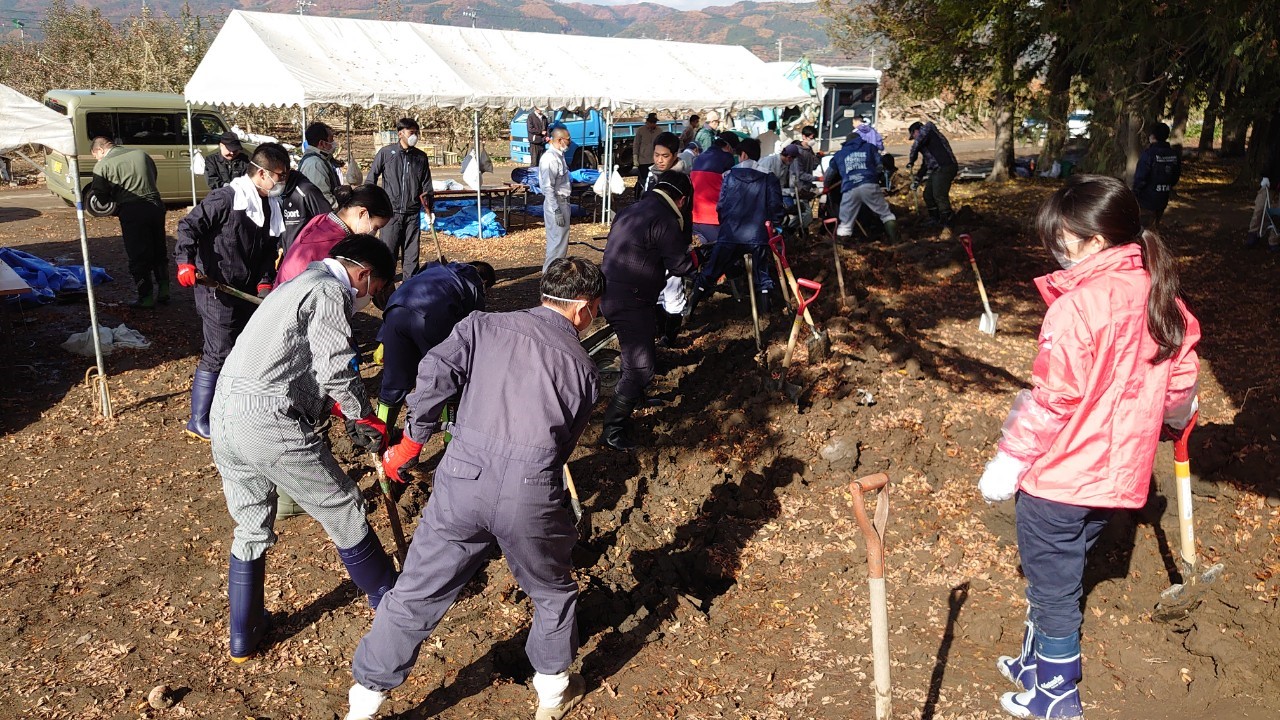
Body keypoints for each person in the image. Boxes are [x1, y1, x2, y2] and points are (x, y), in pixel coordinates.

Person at [344, 257, 605, 720]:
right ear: (583, 308)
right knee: (552, 592)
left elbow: (434, 374)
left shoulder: (481, 326)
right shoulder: (583, 368)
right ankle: (553, 696)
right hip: (531, 491)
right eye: (597, 309)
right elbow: (564, 446)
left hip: (462, 480)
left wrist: (413, 440)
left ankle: (364, 703)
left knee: (416, 592)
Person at [977, 175, 1199, 720]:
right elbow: (1181, 382)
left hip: (1059, 479)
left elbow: (1053, 399)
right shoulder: (1161, 293)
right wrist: (1174, 418)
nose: (1056, 248)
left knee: (1052, 589)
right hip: (1117, 481)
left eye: (1062, 238)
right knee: (1062, 574)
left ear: (1095, 241)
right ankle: (1033, 663)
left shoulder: (1077, 306)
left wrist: (1009, 461)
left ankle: (1056, 694)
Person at [212, 234, 399, 663]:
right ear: (364, 274)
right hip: (265, 420)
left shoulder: (295, 285)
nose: (371, 298)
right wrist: (362, 415)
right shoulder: (330, 291)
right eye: (376, 288)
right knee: (342, 505)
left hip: (225, 413)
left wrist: (333, 406)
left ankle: (244, 634)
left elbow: (290, 363)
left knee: (251, 523)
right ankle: (391, 602)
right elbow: (335, 367)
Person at [175, 142, 290, 441]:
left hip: (244, 289)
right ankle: (198, 420)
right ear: (262, 173)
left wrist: (265, 282)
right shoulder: (226, 199)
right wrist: (185, 262)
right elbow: (188, 227)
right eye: (280, 176)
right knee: (218, 351)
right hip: (215, 288)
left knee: (242, 349)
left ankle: (229, 408)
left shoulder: (269, 206)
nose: (282, 182)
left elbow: (267, 251)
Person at [600, 171, 696, 451]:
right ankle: (612, 430)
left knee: (637, 350)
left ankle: (637, 399)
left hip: (611, 291)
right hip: (630, 299)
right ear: (682, 200)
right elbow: (680, 266)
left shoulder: (632, 209)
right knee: (641, 367)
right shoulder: (665, 219)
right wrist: (699, 258)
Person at [375, 259, 496, 432]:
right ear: (485, 281)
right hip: (431, 318)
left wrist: (384, 338)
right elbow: (471, 328)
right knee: (450, 377)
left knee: (393, 382)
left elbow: (405, 293)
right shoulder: (473, 282)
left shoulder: (431, 270)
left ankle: (379, 436)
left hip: (395, 311)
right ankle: (451, 438)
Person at [687, 138, 784, 316]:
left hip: (730, 235)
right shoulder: (769, 177)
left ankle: (690, 310)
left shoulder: (730, 176)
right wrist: (775, 225)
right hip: (758, 237)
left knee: (710, 272)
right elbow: (776, 206)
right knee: (762, 275)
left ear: (743, 155)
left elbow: (721, 206)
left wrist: (726, 225)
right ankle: (766, 313)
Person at [90, 136, 168, 308]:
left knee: (138, 255)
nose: (97, 159)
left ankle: (146, 298)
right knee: (159, 249)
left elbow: (100, 193)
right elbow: (153, 176)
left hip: (132, 210)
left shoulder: (103, 165)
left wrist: (113, 203)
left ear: (100, 150)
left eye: (95, 156)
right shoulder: (141, 154)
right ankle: (164, 290)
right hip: (155, 206)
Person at [277, 184, 394, 286]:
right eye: (376, 227)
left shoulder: (321, 220)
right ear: (363, 213)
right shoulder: (337, 247)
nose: (374, 233)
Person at [368, 118, 434, 279]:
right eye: (411, 133)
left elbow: (427, 186)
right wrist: (373, 204)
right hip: (391, 214)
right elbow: (371, 179)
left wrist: (430, 209)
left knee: (412, 255)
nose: (415, 136)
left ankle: (409, 286)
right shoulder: (386, 153)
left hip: (412, 214)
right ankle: (385, 287)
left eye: (416, 133)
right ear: (400, 134)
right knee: (388, 252)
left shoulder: (421, 157)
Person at [824, 131, 898, 242]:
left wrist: (826, 186)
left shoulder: (840, 154)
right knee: (885, 214)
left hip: (849, 188)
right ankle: (895, 241)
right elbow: (879, 165)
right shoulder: (869, 147)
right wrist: (872, 174)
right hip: (869, 184)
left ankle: (842, 246)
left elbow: (829, 174)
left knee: (846, 223)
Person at [907, 120, 959, 226]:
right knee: (928, 194)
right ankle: (935, 218)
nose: (915, 139)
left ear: (916, 131)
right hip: (937, 169)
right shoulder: (925, 144)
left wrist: (911, 160)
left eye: (913, 136)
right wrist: (917, 180)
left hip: (946, 166)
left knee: (939, 194)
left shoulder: (928, 130)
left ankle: (947, 218)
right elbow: (925, 164)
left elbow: (916, 145)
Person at [689, 136, 737, 245]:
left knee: (700, 250)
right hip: (714, 218)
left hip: (694, 216)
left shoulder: (698, 158)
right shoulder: (727, 157)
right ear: (728, 147)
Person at [1132, 122, 1181, 228]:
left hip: (1146, 199)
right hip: (1163, 197)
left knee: (1144, 228)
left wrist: (1135, 192)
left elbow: (1141, 177)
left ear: (1153, 136)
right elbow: (1175, 176)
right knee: (1155, 226)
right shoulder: (1173, 154)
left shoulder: (1149, 154)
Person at [540, 127, 573, 272]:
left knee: (561, 242)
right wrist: (556, 210)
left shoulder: (559, 156)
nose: (570, 142)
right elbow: (548, 187)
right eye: (568, 139)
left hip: (563, 201)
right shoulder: (550, 159)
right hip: (556, 203)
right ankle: (549, 273)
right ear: (560, 140)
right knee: (556, 243)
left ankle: (555, 273)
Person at [278, 168, 330, 254]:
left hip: (307, 255)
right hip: (289, 255)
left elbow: (328, 222)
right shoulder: (279, 194)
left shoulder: (306, 191)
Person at [1246, 140, 1280, 250]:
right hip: (1271, 180)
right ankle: (1253, 232)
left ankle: (1274, 240)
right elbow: (1270, 158)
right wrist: (1265, 176)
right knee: (1260, 207)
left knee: (1278, 212)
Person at [298, 122, 342, 207]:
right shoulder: (315, 164)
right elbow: (324, 198)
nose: (334, 143)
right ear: (322, 143)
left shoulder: (320, 160)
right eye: (331, 139)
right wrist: (343, 209)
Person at [633, 113, 662, 200]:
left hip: (655, 160)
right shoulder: (641, 130)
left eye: (655, 122)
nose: (653, 124)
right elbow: (636, 144)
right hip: (643, 160)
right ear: (648, 122)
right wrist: (635, 157)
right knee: (644, 180)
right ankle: (642, 197)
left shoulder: (659, 131)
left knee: (655, 180)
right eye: (652, 122)